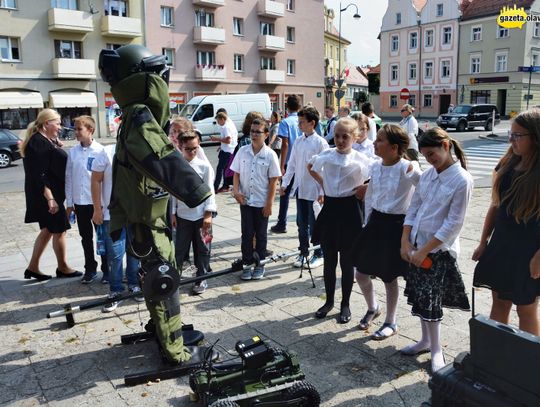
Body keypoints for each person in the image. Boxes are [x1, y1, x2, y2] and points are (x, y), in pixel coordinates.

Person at [99, 44, 213, 365]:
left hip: (146, 218)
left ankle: (162, 331)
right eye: (160, 74)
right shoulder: (139, 117)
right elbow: (161, 157)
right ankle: (174, 350)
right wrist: (198, 191)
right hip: (147, 222)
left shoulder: (133, 116)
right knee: (164, 281)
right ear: (146, 80)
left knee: (156, 277)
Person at [400, 127, 472, 373]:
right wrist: (405, 240)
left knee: (432, 301)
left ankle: (437, 348)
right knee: (421, 297)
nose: (429, 160)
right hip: (418, 245)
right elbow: (414, 207)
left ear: (446, 146)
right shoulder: (429, 175)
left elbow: (454, 223)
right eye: (425, 155)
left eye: (432, 154)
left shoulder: (462, 179)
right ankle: (425, 340)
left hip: (438, 251)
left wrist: (425, 250)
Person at [472, 109, 540, 336]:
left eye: (518, 135)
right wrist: (483, 242)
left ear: (536, 136)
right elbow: (495, 205)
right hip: (502, 245)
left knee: (526, 310)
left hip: (530, 250)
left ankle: (530, 362)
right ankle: (496, 355)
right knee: (499, 303)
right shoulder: (509, 163)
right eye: (511, 134)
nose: (511, 140)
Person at [352, 124, 421, 339]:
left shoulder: (406, 168)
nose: (375, 143)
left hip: (396, 226)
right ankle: (373, 307)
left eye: (380, 140)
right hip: (375, 223)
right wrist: (367, 221)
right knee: (360, 273)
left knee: (389, 277)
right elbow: (371, 195)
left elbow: (425, 190)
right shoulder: (376, 167)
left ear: (393, 147)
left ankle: (391, 321)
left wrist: (416, 169)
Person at [308, 117, 371, 323]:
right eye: (337, 136)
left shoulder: (361, 159)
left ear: (354, 137)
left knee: (347, 261)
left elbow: (376, 175)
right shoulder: (327, 154)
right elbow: (312, 167)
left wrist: (363, 188)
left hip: (350, 210)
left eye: (345, 136)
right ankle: (329, 301)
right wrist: (324, 184)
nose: (341, 140)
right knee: (329, 261)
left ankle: (345, 303)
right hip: (331, 209)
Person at [21, 108, 82, 280]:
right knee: (60, 229)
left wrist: (55, 143)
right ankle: (62, 268)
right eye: (57, 123)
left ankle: (33, 267)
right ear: (46, 123)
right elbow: (39, 174)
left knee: (48, 230)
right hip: (48, 197)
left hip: (50, 195)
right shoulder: (38, 143)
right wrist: (50, 199)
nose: (60, 126)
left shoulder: (43, 140)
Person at [91, 144, 143, 312]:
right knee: (115, 254)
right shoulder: (107, 151)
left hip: (134, 213)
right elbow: (95, 179)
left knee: (135, 251)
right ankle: (115, 290)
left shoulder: (137, 149)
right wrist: (97, 209)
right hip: (111, 215)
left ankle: (134, 285)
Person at [231, 118, 280, 280]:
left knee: (261, 235)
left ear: (266, 134)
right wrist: (236, 192)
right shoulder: (243, 151)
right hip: (245, 201)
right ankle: (246, 264)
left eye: (258, 132)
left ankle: (260, 265)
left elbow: (274, 181)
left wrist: (269, 204)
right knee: (246, 235)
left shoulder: (270, 155)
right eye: (252, 131)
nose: (254, 134)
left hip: (261, 202)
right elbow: (236, 173)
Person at [281, 106, 328, 268]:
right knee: (301, 224)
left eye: (302, 122)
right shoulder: (299, 141)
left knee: (315, 224)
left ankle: (318, 253)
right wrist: (285, 183)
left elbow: (324, 170)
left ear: (312, 123)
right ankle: (303, 252)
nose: (299, 125)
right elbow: (292, 164)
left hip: (314, 191)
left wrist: (322, 191)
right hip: (300, 189)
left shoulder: (321, 143)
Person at [171, 131, 217, 294]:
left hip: (201, 216)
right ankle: (174, 279)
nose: (192, 152)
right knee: (179, 249)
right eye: (188, 149)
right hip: (183, 216)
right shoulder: (177, 167)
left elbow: (210, 191)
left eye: (195, 148)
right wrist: (173, 213)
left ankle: (201, 278)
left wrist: (208, 214)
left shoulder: (204, 167)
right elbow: (173, 192)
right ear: (180, 147)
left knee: (203, 249)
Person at [65, 116, 106, 284]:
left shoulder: (101, 151)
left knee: (102, 237)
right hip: (80, 202)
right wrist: (69, 203)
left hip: (97, 202)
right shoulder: (73, 152)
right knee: (85, 237)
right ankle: (90, 268)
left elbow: (105, 179)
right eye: (74, 129)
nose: (76, 132)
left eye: (79, 129)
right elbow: (69, 177)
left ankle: (107, 269)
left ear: (90, 130)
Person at [270, 95, 303, 234]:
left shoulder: (285, 122)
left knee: (284, 193)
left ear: (287, 107)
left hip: (290, 161)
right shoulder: (302, 121)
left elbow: (285, 144)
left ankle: (282, 223)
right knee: (301, 195)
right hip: (301, 162)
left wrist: (282, 164)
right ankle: (302, 223)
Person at [211, 111, 238, 193]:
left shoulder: (226, 127)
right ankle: (225, 185)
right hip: (227, 150)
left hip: (227, 151)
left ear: (222, 119)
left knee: (220, 169)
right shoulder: (228, 124)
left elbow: (228, 140)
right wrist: (221, 145)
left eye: (218, 121)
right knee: (224, 169)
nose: (218, 123)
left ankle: (215, 188)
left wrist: (216, 139)